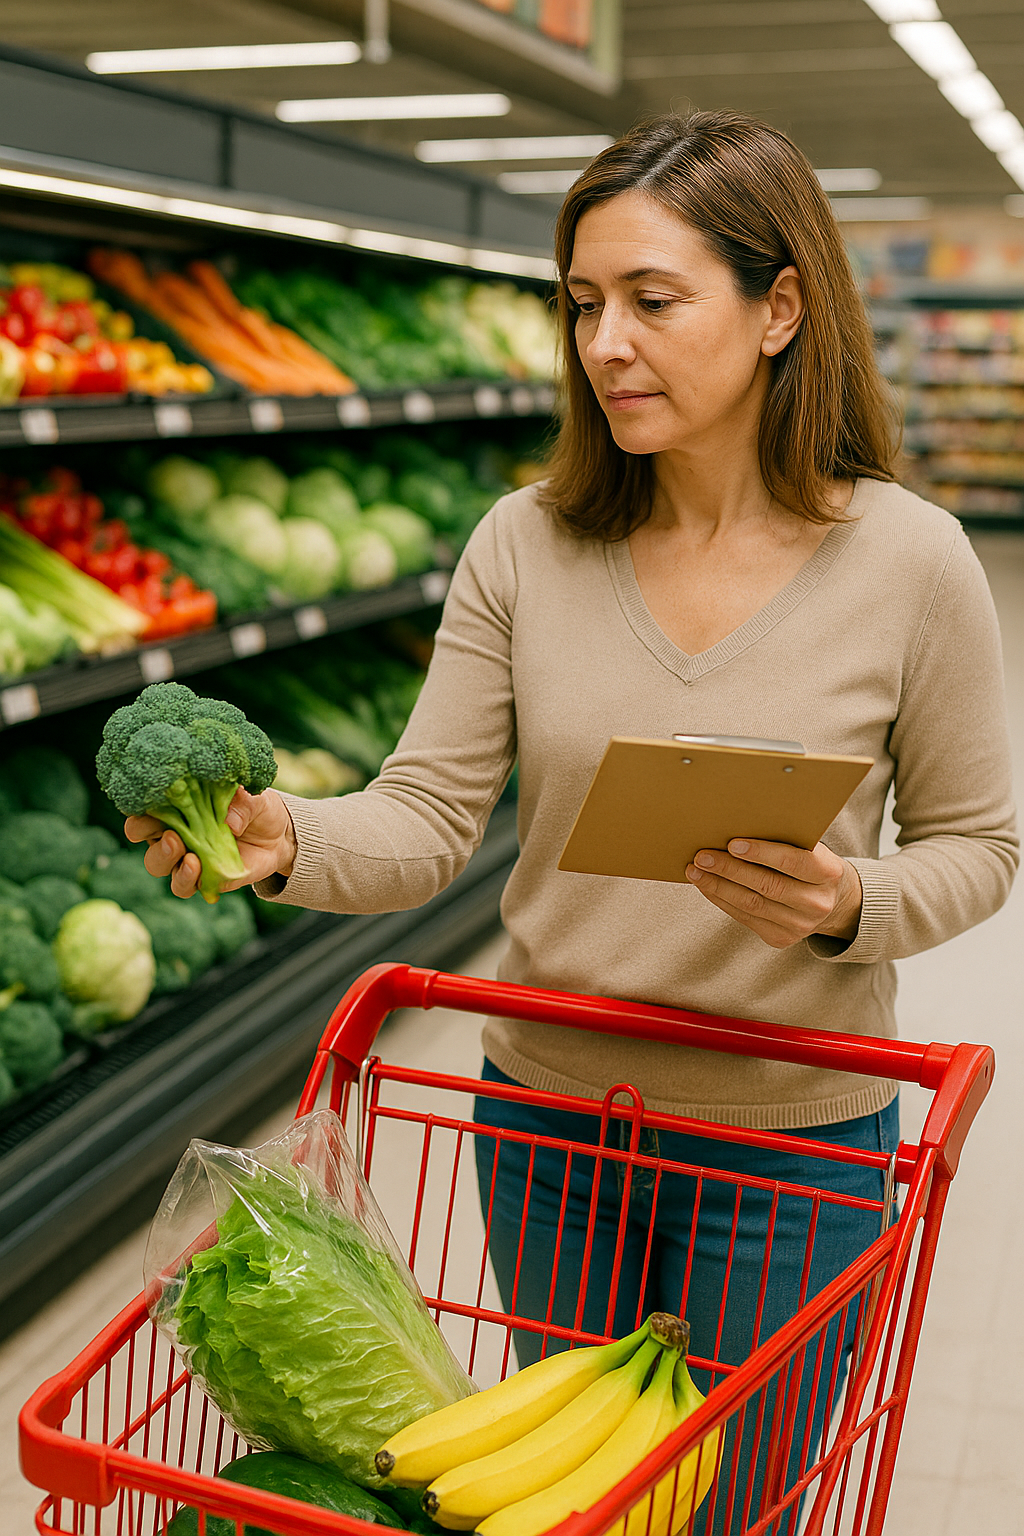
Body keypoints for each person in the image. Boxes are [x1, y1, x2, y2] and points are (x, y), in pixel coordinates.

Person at [129, 111, 1017, 1529]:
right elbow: (427, 814)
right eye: (584, 304)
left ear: (781, 307)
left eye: (653, 301)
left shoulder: (912, 563)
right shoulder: (525, 543)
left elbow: (982, 847)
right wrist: (291, 838)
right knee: (569, 1506)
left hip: (790, 1151)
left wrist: (854, 903)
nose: (607, 344)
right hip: (548, 1135)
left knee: (734, 1507)